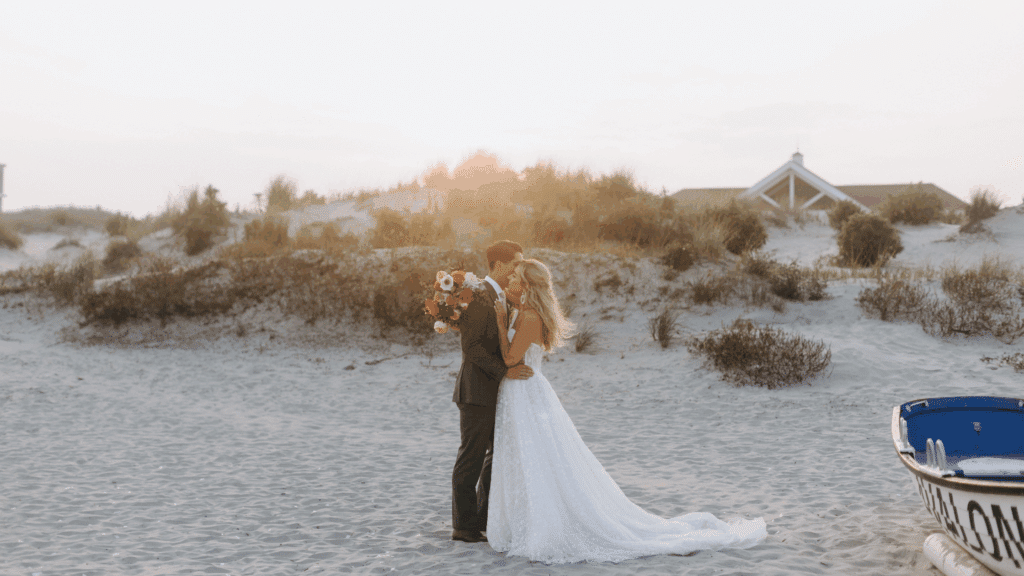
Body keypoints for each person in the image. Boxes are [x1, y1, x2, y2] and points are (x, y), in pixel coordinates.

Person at [486, 259, 767, 563]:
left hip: (525, 391)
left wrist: (501, 322)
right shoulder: (525, 311)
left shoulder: (528, 316)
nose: (510, 281)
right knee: (525, 457)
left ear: (526, 285)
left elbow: (511, 358)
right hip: (521, 392)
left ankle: (542, 523)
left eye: (515, 277)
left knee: (535, 457)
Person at [450, 240, 534, 544]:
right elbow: (471, 348)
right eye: (516, 262)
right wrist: (505, 371)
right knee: (470, 458)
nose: (519, 268)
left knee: (496, 454)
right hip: (475, 391)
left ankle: (483, 518)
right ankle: (463, 527)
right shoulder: (478, 296)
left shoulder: (505, 296)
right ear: (498, 265)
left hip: (498, 392)